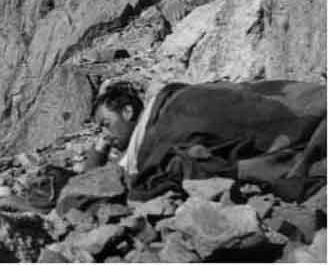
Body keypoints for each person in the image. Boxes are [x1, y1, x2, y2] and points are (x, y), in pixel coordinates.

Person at [87, 80, 326, 202]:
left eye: (105, 124)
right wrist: (100, 148)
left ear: (128, 112)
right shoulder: (142, 150)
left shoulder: (165, 119)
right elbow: (89, 185)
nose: (103, 135)